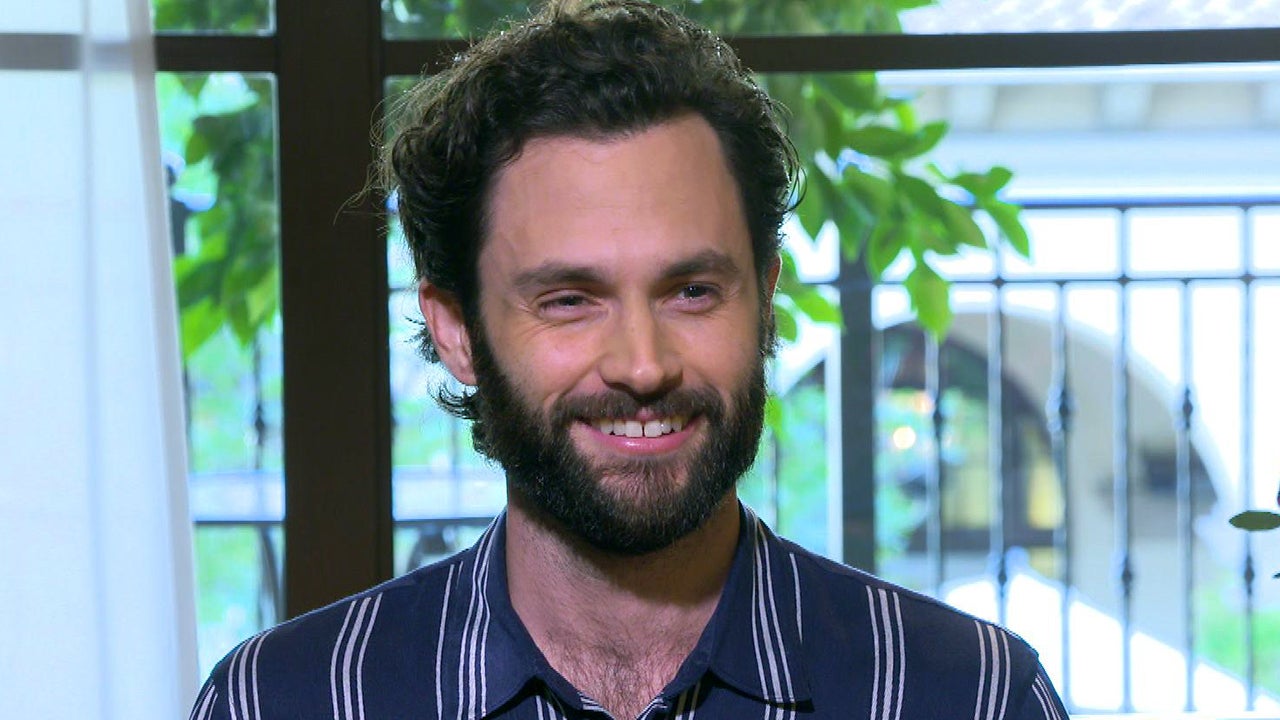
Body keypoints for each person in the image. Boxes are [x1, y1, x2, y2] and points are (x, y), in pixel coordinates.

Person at [190, 2, 1069, 718]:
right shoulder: (284, 703)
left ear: (765, 299)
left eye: (692, 290)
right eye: (569, 300)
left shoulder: (972, 699)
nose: (644, 367)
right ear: (455, 330)